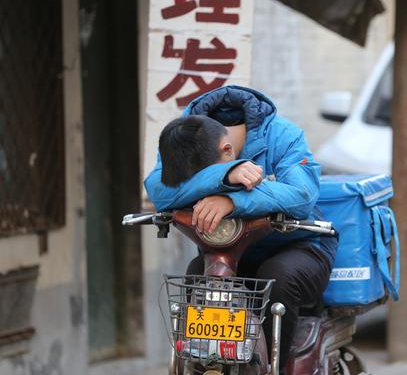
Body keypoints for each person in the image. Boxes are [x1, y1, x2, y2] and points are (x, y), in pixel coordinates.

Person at [144, 85, 338, 367]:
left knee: (277, 277)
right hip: (228, 251)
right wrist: (226, 175)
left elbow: (302, 195)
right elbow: (160, 191)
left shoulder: (283, 136)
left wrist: (233, 201)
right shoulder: (182, 135)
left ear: (227, 149)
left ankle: (275, 368)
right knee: (197, 276)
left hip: (302, 246)